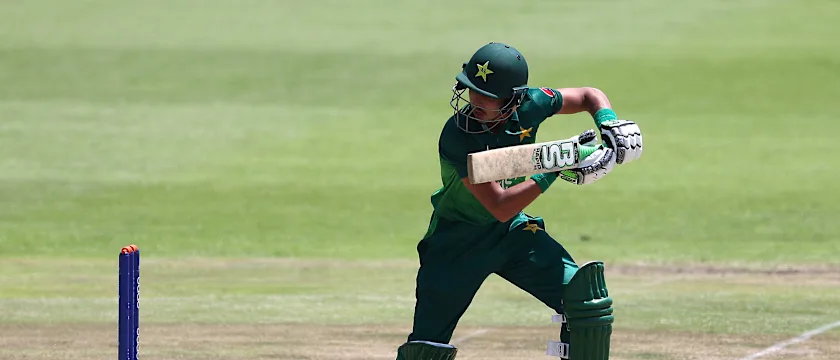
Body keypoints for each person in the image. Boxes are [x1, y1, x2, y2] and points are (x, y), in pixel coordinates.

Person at [394, 42, 643, 360]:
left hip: (513, 235)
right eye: (471, 90)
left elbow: (587, 95)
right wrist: (559, 163)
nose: (475, 101)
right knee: (425, 347)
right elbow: (500, 206)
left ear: (514, 99)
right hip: (456, 241)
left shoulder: (533, 103)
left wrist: (608, 122)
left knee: (586, 303)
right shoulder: (457, 135)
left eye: (487, 96)